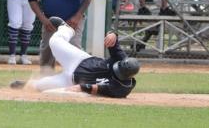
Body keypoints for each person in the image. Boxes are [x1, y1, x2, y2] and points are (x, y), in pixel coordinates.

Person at [11, 17, 140, 98]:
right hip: (79, 60)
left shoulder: (121, 89)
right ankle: (66, 29)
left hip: (71, 81)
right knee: (54, 42)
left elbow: (90, 88)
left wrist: (67, 90)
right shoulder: (120, 58)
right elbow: (113, 38)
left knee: (40, 86)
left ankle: (26, 84)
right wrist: (112, 34)